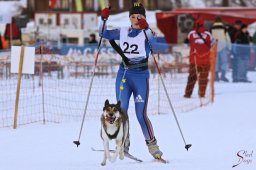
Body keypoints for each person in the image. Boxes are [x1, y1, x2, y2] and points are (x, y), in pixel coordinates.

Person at [99, 2, 163, 160]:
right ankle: (123, 144)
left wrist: (146, 28)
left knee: (141, 115)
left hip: (140, 77)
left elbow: (154, 45)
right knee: (122, 112)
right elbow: (103, 33)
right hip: (124, 75)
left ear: (144, 18)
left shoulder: (149, 33)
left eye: (139, 16)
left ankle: (153, 148)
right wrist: (103, 19)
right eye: (133, 16)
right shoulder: (122, 31)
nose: (136, 19)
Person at [184, 18, 212, 98]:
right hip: (205, 60)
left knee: (191, 78)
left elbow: (186, 42)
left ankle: (188, 94)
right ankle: (202, 94)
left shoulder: (191, 34)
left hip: (194, 60)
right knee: (203, 78)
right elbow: (212, 44)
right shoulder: (208, 34)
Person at [210, 16, 231, 82]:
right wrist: (229, 47)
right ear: (221, 21)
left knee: (215, 62)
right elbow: (227, 38)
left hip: (214, 46)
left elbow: (210, 38)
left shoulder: (211, 28)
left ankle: (216, 77)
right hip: (223, 46)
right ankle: (223, 75)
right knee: (224, 61)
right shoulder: (224, 28)